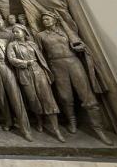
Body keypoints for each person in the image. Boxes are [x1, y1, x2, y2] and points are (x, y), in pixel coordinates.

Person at [34, 12, 112, 145]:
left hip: (73, 62)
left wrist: (80, 48)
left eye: (47, 19)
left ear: (54, 20)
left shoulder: (66, 31)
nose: (45, 21)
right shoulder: (40, 36)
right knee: (65, 97)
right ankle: (72, 121)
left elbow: (79, 44)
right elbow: (40, 53)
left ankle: (98, 129)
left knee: (87, 96)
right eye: (43, 20)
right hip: (56, 65)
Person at [7, 24, 65, 143]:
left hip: (38, 72)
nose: (15, 34)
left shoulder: (32, 44)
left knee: (48, 99)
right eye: (14, 32)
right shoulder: (12, 45)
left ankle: (56, 129)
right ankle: (39, 121)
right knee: (32, 99)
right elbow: (11, 59)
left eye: (17, 31)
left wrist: (46, 72)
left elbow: (41, 59)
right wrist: (25, 63)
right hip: (24, 73)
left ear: (24, 32)